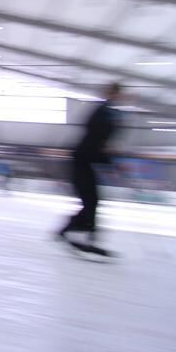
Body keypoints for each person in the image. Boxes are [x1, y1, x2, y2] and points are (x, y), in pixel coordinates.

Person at [55, 83, 123, 256]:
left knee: (92, 201)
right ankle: (82, 234)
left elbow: (100, 141)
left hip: (85, 161)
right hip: (81, 161)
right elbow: (95, 136)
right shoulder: (102, 112)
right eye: (114, 93)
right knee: (91, 201)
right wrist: (108, 160)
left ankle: (72, 231)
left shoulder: (108, 113)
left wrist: (109, 159)